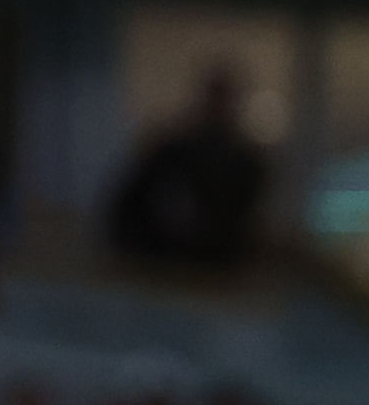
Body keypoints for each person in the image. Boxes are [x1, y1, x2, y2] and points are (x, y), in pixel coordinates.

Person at [104, 70, 266, 271]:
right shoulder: (169, 150)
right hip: (157, 265)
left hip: (212, 274)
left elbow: (244, 228)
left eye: (223, 98)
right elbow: (124, 210)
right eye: (214, 97)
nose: (217, 107)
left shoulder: (245, 163)